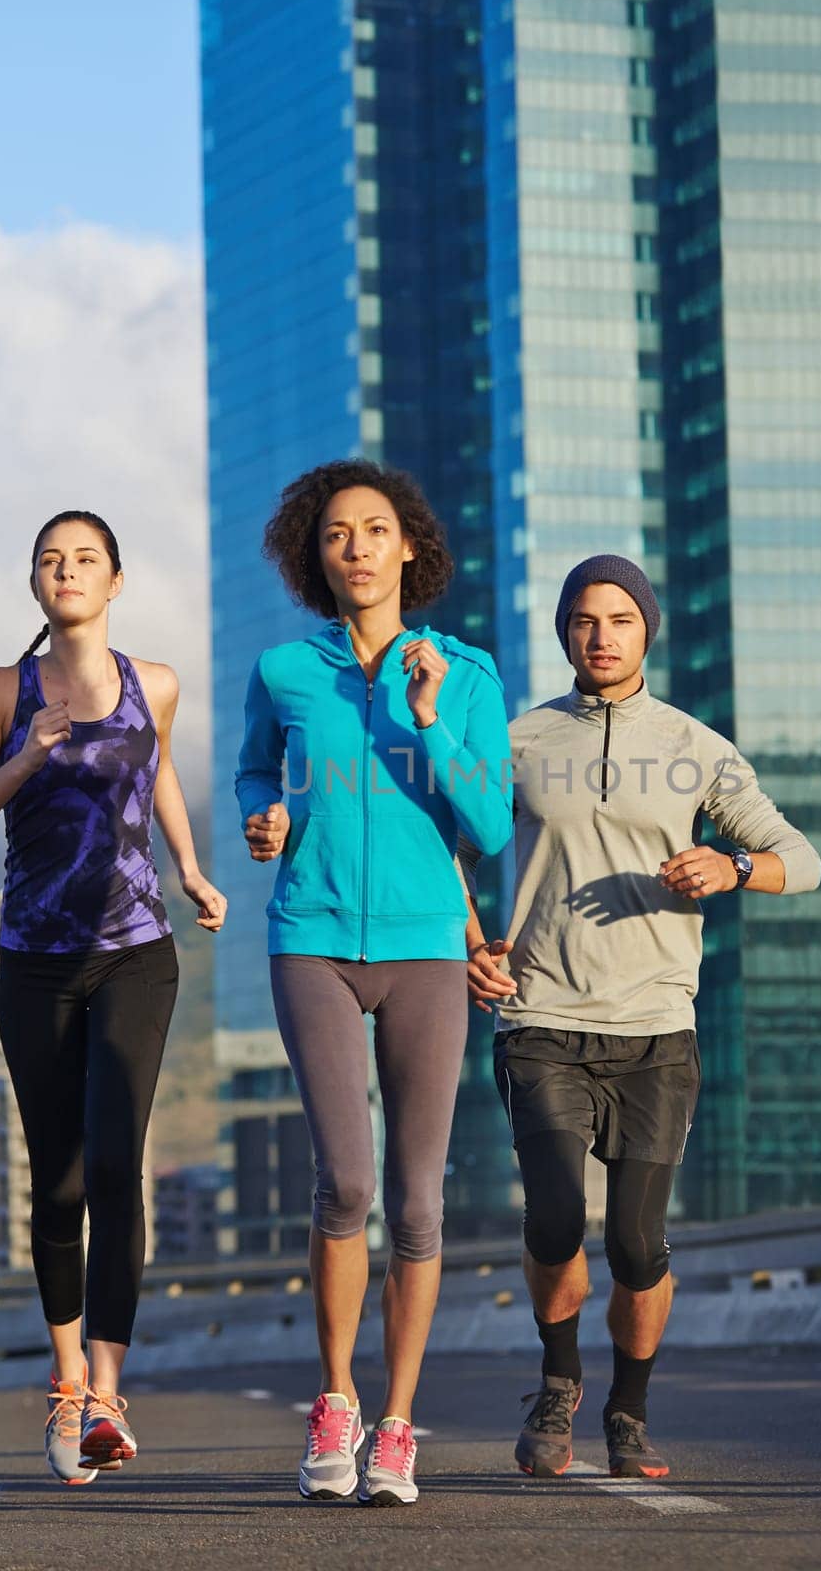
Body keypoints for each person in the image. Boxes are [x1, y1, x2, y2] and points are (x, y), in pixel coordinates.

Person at [458, 554, 821, 1481]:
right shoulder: (520, 739)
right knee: (551, 1221)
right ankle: (558, 1383)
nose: (602, 635)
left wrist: (733, 868)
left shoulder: (696, 746)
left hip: (656, 1025)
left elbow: (800, 858)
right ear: (565, 634)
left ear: (646, 629)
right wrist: (470, 938)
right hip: (539, 1014)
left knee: (634, 1242)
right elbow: (445, 837)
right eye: (585, 620)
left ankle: (628, 1409)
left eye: (620, 619)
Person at [236, 458, 512, 1507]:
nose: (354, 546)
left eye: (373, 530)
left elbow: (487, 828)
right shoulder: (283, 671)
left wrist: (431, 717)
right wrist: (270, 821)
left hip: (428, 947)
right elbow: (259, 775)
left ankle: (397, 1423)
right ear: (318, 555)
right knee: (345, 1181)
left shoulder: (467, 672)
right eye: (335, 534)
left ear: (409, 548)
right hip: (309, 933)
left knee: (418, 1197)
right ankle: (335, 1399)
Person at [0, 510, 225, 1486]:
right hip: (35, 959)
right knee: (55, 1178)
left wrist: (188, 865)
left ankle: (105, 1391)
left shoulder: (157, 683)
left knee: (112, 1163)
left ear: (115, 581)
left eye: (84, 558)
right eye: (50, 560)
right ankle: (63, 1380)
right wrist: (28, 753)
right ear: (37, 585)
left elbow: (159, 768)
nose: (67, 571)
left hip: (137, 950)